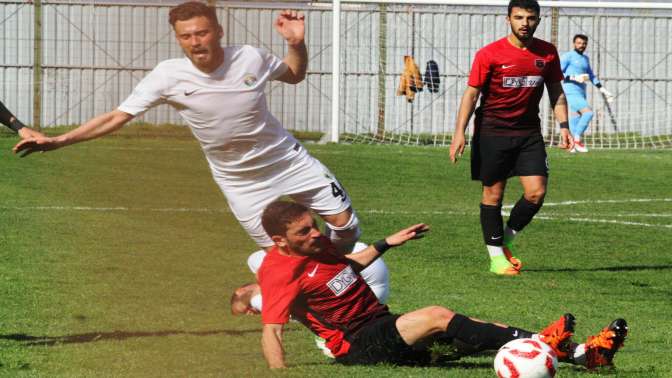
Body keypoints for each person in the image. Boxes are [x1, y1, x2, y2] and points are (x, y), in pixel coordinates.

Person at [12, 2, 361, 256]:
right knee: (282, 256)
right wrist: (59, 140)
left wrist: (296, 45)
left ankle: (345, 275)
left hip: (288, 161)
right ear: (178, 39)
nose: (195, 42)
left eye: (202, 32)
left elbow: (295, 75)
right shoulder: (168, 74)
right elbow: (118, 116)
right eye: (186, 36)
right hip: (240, 181)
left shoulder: (251, 57)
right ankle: (331, 307)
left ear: (218, 32)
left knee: (346, 228)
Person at [255, 200, 627, 369]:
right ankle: (545, 342)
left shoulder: (318, 249)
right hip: (356, 344)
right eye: (303, 231)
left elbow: (345, 267)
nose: (316, 234)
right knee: (437, 315)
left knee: (480, 329)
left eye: (313, 224)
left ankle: (583, 354)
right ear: (279, 241)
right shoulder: (279, 272)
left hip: (382, 324)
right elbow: (272, 332)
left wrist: (387, 243)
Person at [449, 0, 573, 275]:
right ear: (508, 19)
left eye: (530, 17)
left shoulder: (548, 53)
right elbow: (471, 94)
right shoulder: (489, 54)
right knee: (493, 194)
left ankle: (504, 242)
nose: (524, 23)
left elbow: (556, 92)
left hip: (529, 133)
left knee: (536, 192)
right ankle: (496, 260)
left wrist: (565, 126)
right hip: (492, 132)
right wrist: (460, 132)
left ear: (538, 20)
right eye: (519, 17)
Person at [234, 241, 390, 358]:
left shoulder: (261, 268)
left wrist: (256, 302)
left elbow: (273, 324)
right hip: (362, 259)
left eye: (246, 309)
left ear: (240, 291)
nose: (250, 313)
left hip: (353, 270)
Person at [561, 34, 614, 153]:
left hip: (581, 91)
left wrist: (602, 89)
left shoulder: (585, 58)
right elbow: (557, 73)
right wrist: (574, 77)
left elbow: (591, 75)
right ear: (574, 43)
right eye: (579, 43)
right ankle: (577, 140)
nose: (582, 45)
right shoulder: (568, 56)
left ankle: (572, 145)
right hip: (570, 90)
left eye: (584, 43)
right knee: (588, 113)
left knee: (576, 117)